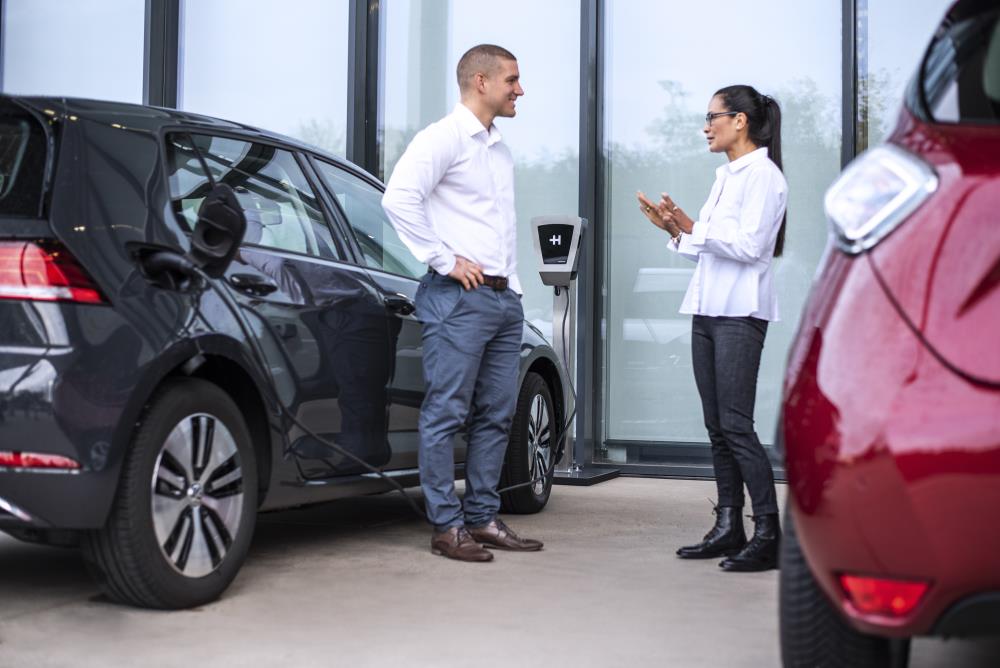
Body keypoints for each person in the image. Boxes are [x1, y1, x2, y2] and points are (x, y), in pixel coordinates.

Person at [381, 44, 543, 562]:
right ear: (481, 81)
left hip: (502, 300)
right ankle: (446, 527)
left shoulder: (498, 148)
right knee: (446, 412)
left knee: (496, 414)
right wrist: (443, 259)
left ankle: (482, 518)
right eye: (512, 80)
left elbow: (495, 226)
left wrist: (513, 288)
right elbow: (398, 197)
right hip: (459, 298)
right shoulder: (443, 137)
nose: (520, 90)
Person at [636, 84, 787, 572]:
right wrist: (675, 230)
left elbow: (749, 247)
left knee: (737, 425)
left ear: (739, 120)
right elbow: (712, 249)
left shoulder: (763, 176)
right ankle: (728, 526)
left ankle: (769, 533)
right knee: (717, 427)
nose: (706, 127)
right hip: (708, 310)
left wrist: (692, 226)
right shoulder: (726, 175)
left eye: (712, 117)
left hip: (741, 313)